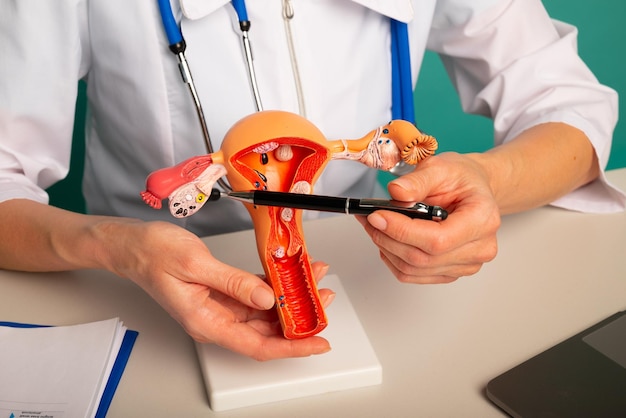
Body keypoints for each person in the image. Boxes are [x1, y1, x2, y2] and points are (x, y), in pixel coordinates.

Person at [1, 0, 624, 360]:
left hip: (385, 298)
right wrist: (117, 247)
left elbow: (570, 107)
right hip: (143, 313)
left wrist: (487, 177)